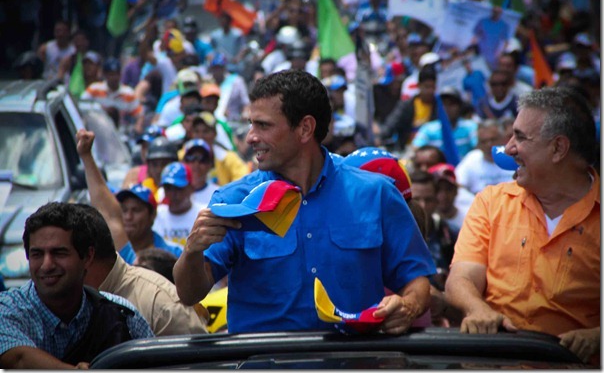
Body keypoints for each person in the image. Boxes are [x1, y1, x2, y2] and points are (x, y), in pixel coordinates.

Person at [174, 70, 436, 334]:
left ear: (305, 128)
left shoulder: (376, 193)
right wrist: (192, 252)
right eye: (251, 124)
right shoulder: (232, 200)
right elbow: (188, 294)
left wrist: (408, 306)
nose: (250, 137)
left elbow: (416, 280)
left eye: (263, 125)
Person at [444, 87, 600, 364]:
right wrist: (478, 309)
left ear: (558, 148)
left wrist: (598, 336)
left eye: (520, 137)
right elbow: (460, 279)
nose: (508, 149)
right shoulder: (491, 202)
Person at [76, 129, 207, 336]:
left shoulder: (174, 254)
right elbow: (108, 214)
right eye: (124, 210)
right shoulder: (124, 256)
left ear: (152, 215)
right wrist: (86, 156)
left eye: (136, 210)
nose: (128, 216)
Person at [0, 202, 153, 369]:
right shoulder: (8, 309)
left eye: (59, 253)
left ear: (87, 257)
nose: (47, 265)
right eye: (37, 254)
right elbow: (18, 359)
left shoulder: (121, 315)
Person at [455, 119, 515, 195]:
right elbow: (457, 184)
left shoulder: (514, 157)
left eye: (493, 140)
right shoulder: (472, 158)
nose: (488, 145)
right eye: (483, 141)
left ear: (503, 139)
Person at [153, 161, 204, 246]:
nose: (173, 194)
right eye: (168, 188)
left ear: (191, 189)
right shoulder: (156, 215)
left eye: (178, 188)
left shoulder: (202, 215)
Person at [182, 138, 219, 207]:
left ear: (210, 164)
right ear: (183, 162)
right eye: (191, 158)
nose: (196, 164)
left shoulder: (218, 194)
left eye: (202, 159)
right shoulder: (169, 192)